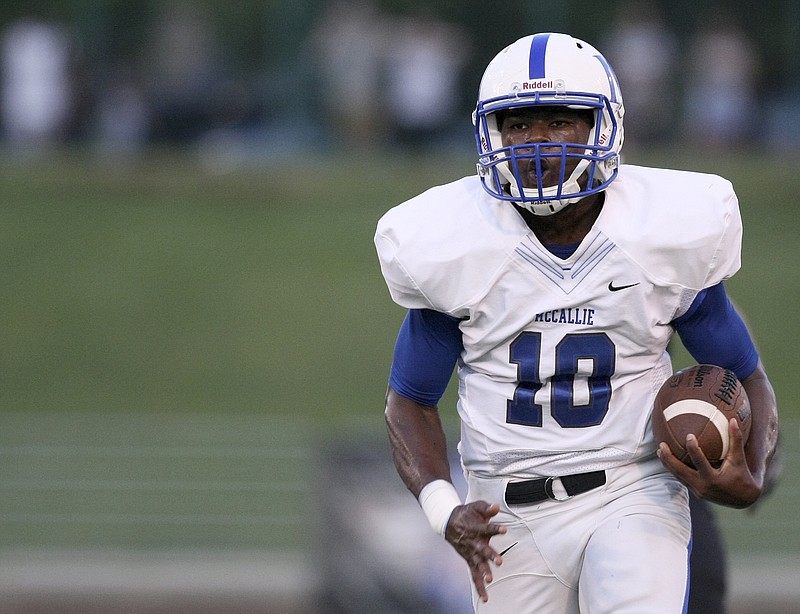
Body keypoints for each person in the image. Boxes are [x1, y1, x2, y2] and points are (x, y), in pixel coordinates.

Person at [374, 32, 779, 613]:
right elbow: (409, 400)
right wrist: (445, 509)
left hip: (633, 488)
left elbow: (746, 372)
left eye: (560, 122)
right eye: (518, 124)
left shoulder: (662, 230)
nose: (536, 143)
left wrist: (753, 470)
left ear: (602, 127)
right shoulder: (455, 243)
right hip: (506, 513)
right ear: (490, 133)